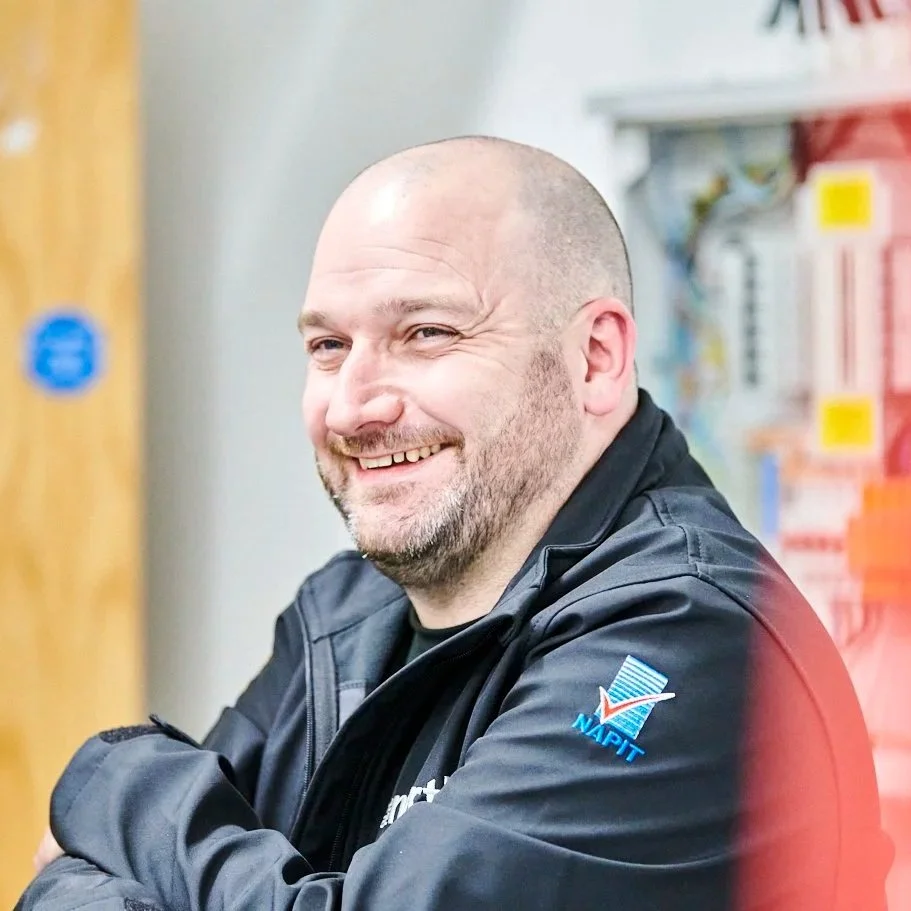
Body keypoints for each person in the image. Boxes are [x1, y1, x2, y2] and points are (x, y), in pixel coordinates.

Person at [19, 136, 891, 910]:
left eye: (427, 333)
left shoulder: (686, 638)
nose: (354, 404)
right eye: (328, 346)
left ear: (594, 358)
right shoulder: (347, 610)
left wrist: (114, 777)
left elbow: (158, 848)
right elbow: (89, 879)